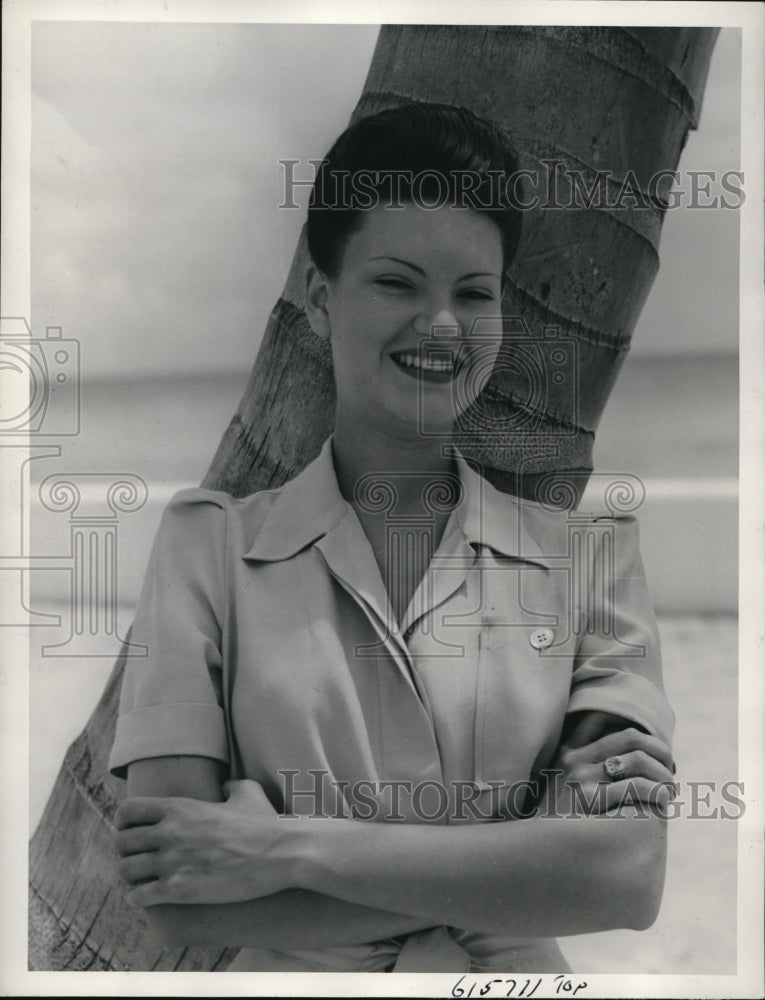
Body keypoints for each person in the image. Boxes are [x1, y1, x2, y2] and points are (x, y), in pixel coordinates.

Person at [109, 103, 676, 973]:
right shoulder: (207, 552)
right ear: (319, 295)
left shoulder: (589, 565)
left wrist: (281, 848)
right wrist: (515, 861)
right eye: (397, 283)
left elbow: (623, 878)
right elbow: (177, 890)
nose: (442, 325)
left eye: (473, 293)